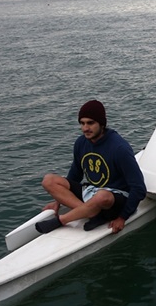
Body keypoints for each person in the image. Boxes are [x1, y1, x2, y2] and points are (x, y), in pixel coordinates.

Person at [35, 100, 147, 235]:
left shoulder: (119, 148)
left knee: (101, 196)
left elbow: (139, 188)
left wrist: (122, 217)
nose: (85, 128)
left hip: (114, 200)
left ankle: (62, 220)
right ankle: (91, 213)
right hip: (92, 192)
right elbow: (74, 175)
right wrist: (58, 202)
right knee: (49, 180)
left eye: (90, 123)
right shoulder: (81, 143)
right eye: (82, 123)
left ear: (101, 123)